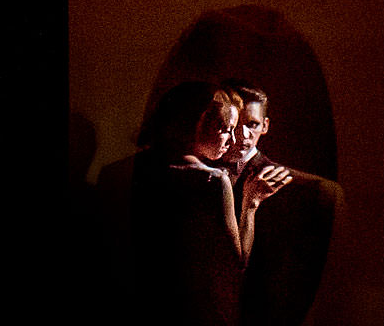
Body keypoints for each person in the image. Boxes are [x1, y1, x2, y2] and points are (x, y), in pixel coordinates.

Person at [124, 80, 291, 326]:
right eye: (225, 128)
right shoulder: (212, 180)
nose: (233, 139)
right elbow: (237, 261)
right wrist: (251, 204)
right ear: (193, 124)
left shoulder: (130, 169)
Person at [223, 83, 341, 326]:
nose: (244, 135)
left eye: (253, 124)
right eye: (237, 124)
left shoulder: (305, 190)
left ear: (265, 126)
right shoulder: (190, 175)